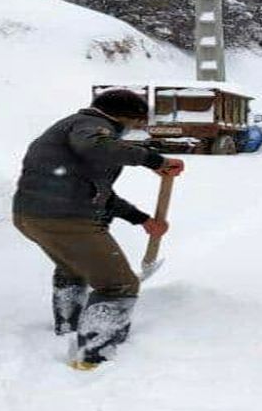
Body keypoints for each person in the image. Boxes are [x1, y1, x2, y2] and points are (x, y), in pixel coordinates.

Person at [13, 89, 184, 369]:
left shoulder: (74, 128)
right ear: (123, 117)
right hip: (64, 219)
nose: (136, 130)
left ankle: (68, 327)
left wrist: (141, 219)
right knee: (120, 285)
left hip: (33, 217)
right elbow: (95, 146)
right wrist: (155, 160)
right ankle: (94, 356)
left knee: (73, 268)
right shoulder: (91, 128)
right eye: (137, 123)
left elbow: (96, 192)